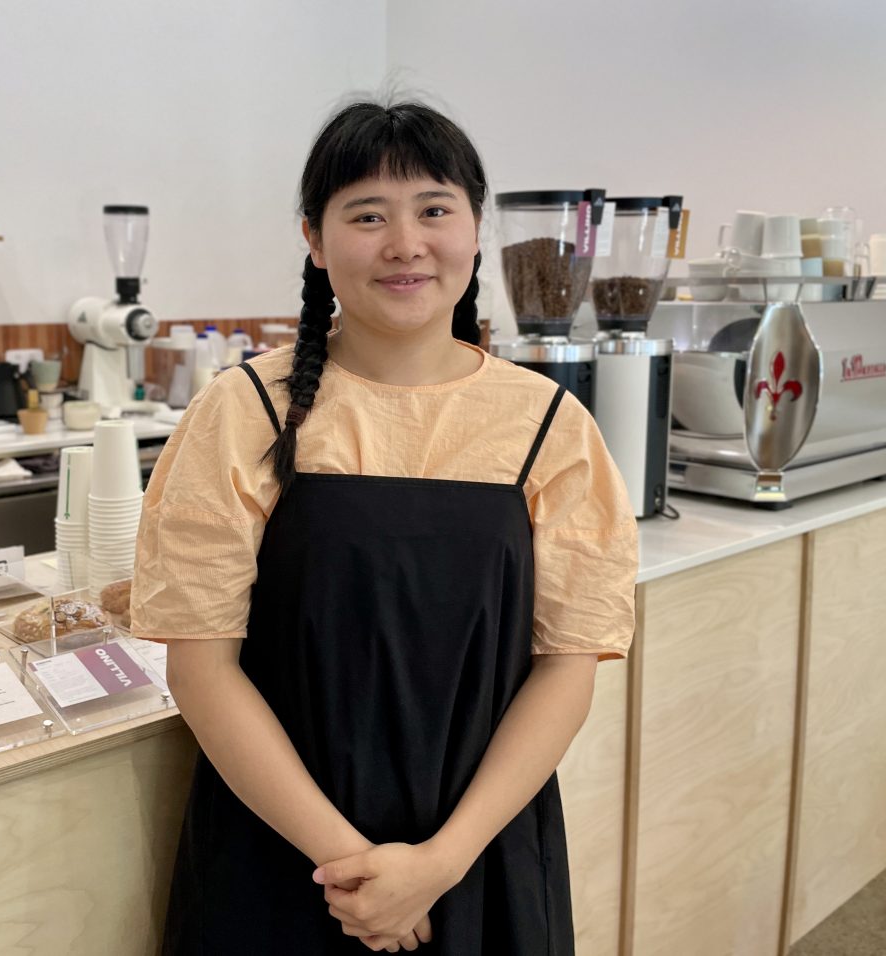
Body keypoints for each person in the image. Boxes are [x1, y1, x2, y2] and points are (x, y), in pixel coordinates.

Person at [131, 100, 638, 955]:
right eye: (367, 215)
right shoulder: (244, 410)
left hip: (478, 853)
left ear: (477, 229)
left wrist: (440, 861)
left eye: (434, 209)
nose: (406, 244)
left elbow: (567, 666)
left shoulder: (549, 425)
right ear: (316, 240)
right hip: (280, 849)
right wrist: (353, 867)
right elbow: (201, 664)